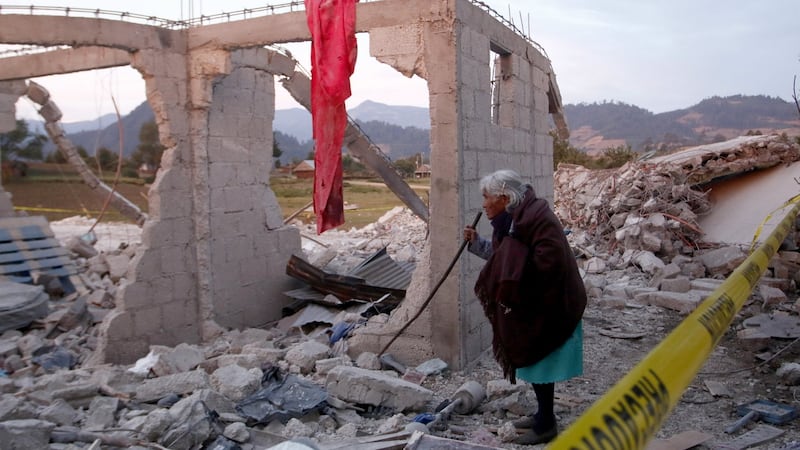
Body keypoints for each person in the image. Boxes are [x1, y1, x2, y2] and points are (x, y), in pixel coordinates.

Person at [463, 169, 586, 445]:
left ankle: (546, 424)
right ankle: (544, 416)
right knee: (536, 360)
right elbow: (502, 258)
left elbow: (547, 264)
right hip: (534, 301)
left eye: (486, 197)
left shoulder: (537, 220)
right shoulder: (511, 221)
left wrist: (514, 281)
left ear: (505, 198)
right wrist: (476, 244)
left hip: (552, 301)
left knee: (540, 359)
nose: (483, 204)